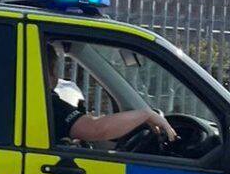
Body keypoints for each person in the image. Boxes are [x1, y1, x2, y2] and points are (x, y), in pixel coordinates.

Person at [46, 43, 177, 149]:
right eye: (55, 68)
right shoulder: (47, 103)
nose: (58, 75)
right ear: (48, 70)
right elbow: (96, 129)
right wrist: (146, 115)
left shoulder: (42, 100)